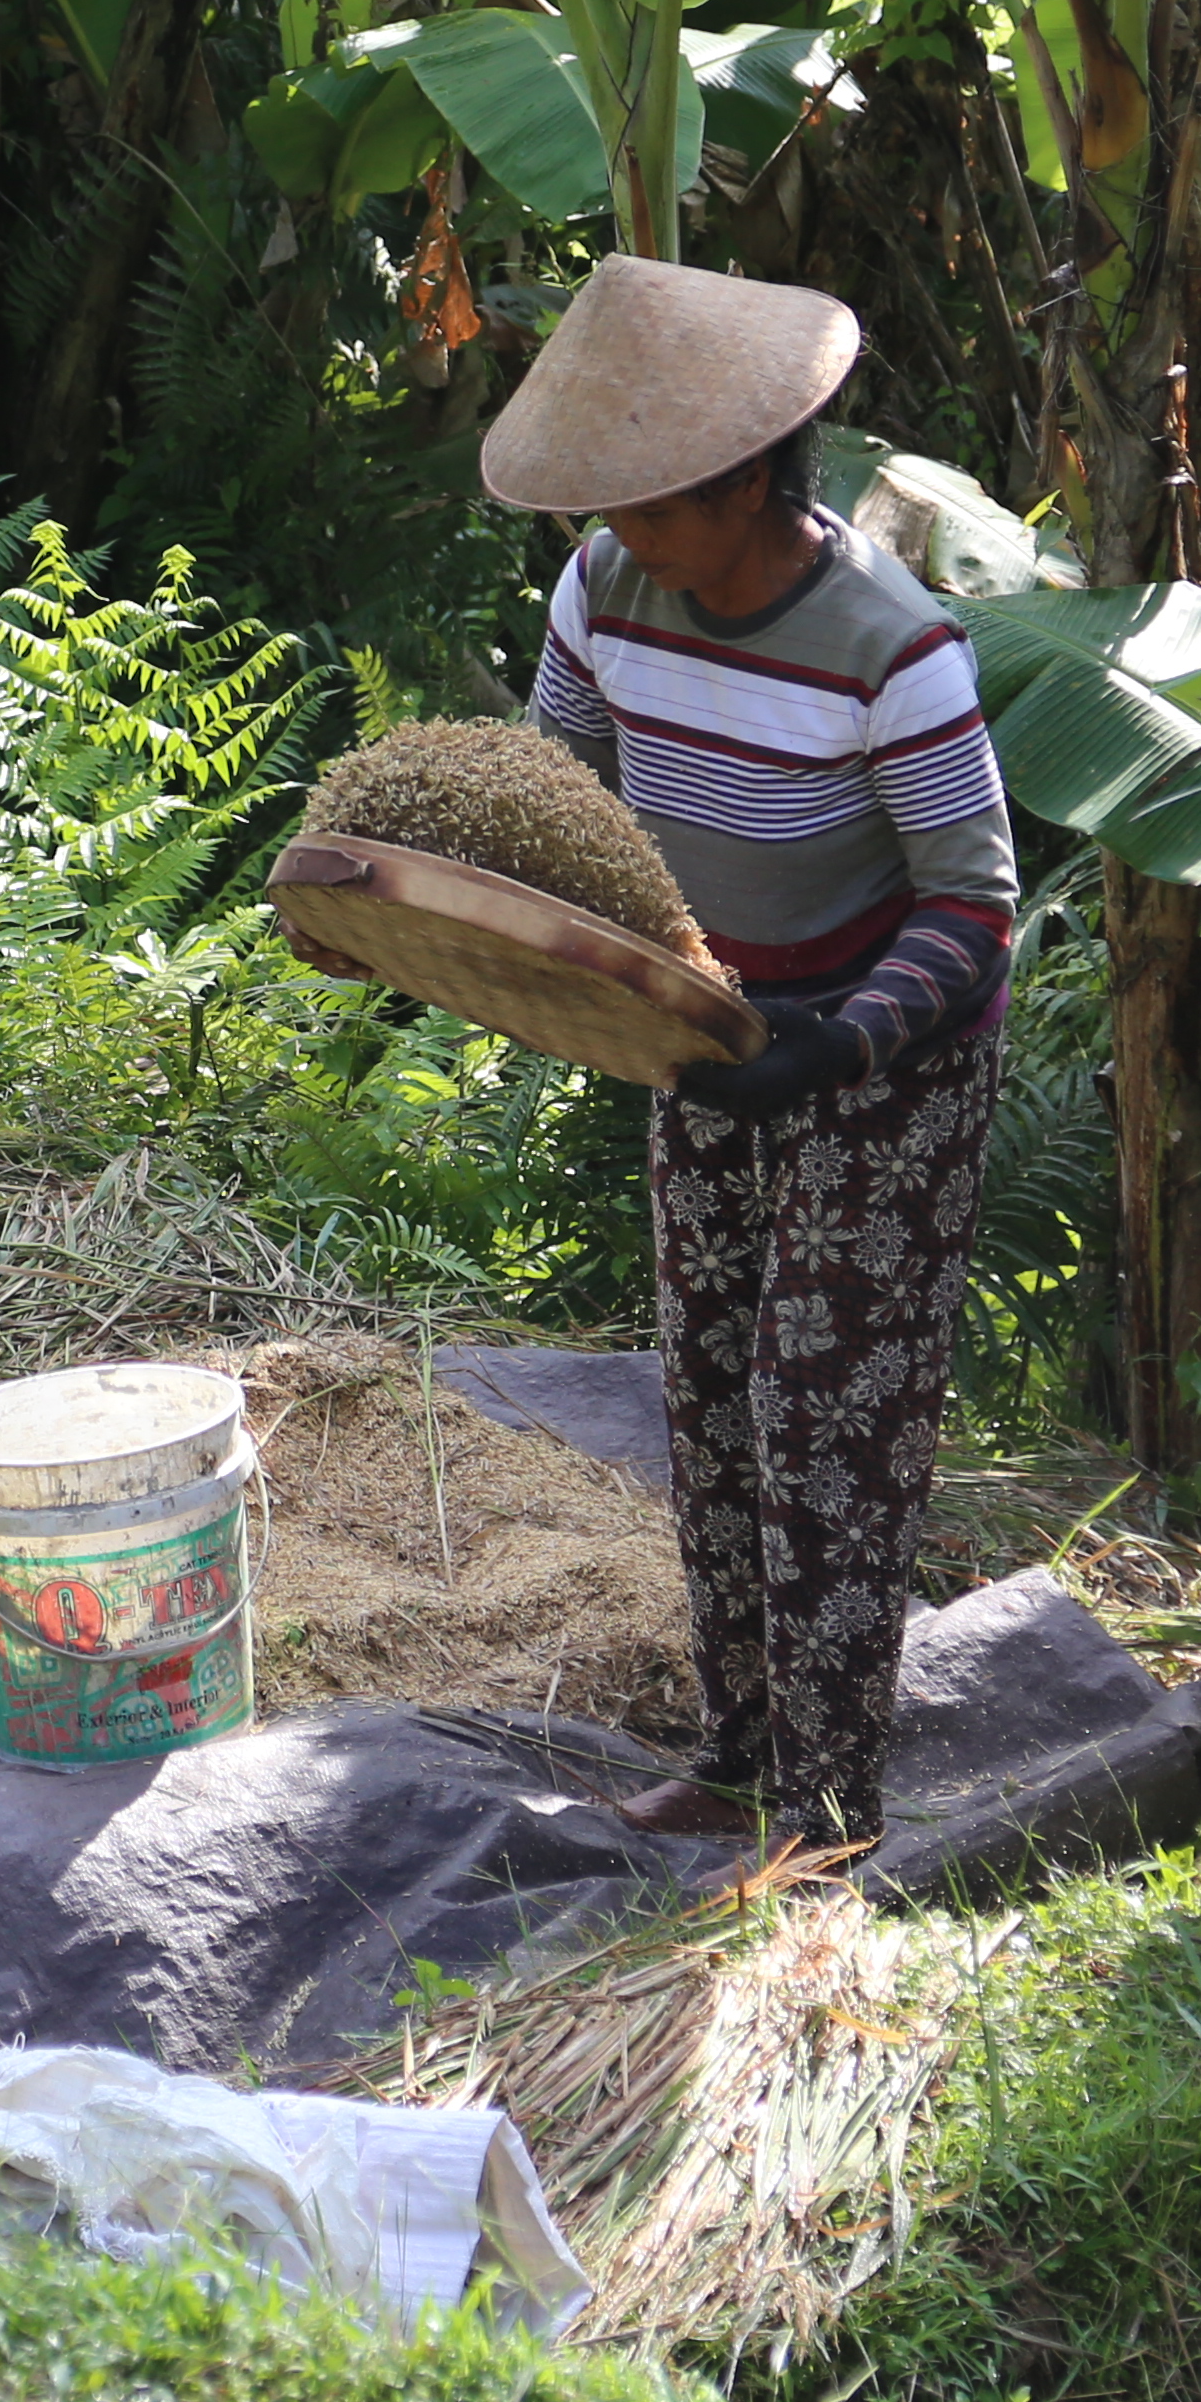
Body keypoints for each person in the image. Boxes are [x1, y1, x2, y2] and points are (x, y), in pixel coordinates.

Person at [480, 259, 1018, 1851]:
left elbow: (975, 906)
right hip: (706, 1037)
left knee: (828, 1421)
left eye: (648, 504)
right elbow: (548, 795)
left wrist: (836, 1048)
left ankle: (830, 1810)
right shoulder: (604, 588)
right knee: (713, 1395)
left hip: (885, 1068)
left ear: (740, 479)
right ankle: (734, 1766)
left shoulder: (891, 651)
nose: (619, 534)